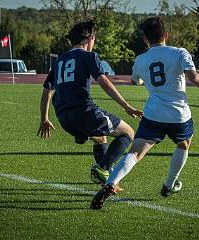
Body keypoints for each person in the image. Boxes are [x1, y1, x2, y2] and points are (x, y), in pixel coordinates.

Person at [90, 16, 199, 209]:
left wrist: (142, 80)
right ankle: (169, 185)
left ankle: (110, 183)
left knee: (135, 152)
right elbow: (193, 76)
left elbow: (136, 80)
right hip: (179, 115)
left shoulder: (141, 60)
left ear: (145, 40)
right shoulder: (179, 53)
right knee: (184, 145)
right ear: (166, 35)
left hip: (153, 114)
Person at [37, 20, 143, 188]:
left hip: (64, 117)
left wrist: (44, 118)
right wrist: (126, 106)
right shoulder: (89, 56)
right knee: (128, 133)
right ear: (89, 38)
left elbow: (46, 92)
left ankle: (106, 181)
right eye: (94, 38)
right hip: (85, 113)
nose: (95, 42)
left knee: (100, 138)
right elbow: (104, 82)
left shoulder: (60, 61)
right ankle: (103, 168)